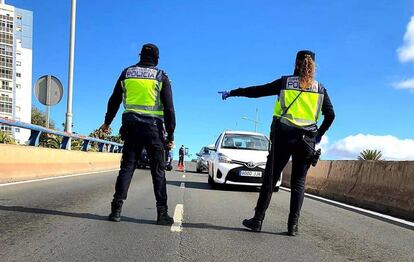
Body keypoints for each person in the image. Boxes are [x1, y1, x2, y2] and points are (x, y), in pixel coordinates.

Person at [219, 50, 335, 236]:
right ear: (313, 66)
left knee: (271, 179)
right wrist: (318, 135)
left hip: (284, 136)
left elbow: (257, 91)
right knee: (298, 183)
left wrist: (233, 92)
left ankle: (257, 220)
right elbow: (331, 115)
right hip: (307, 142)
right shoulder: (320, 89)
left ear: (296, 63)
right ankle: (292, 227)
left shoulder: (285, 83)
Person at [100, 43, 176, 225]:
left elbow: (114, 100)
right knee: (158, 171)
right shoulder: (160, 76)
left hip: (130, 126)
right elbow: (169, 109)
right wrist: (170, 136)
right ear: (157, 59)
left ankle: (116, 210)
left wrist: (107, 122)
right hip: (153, 129)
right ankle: (162, 214)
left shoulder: (126, 73)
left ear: (140, 55)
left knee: (127, 168)